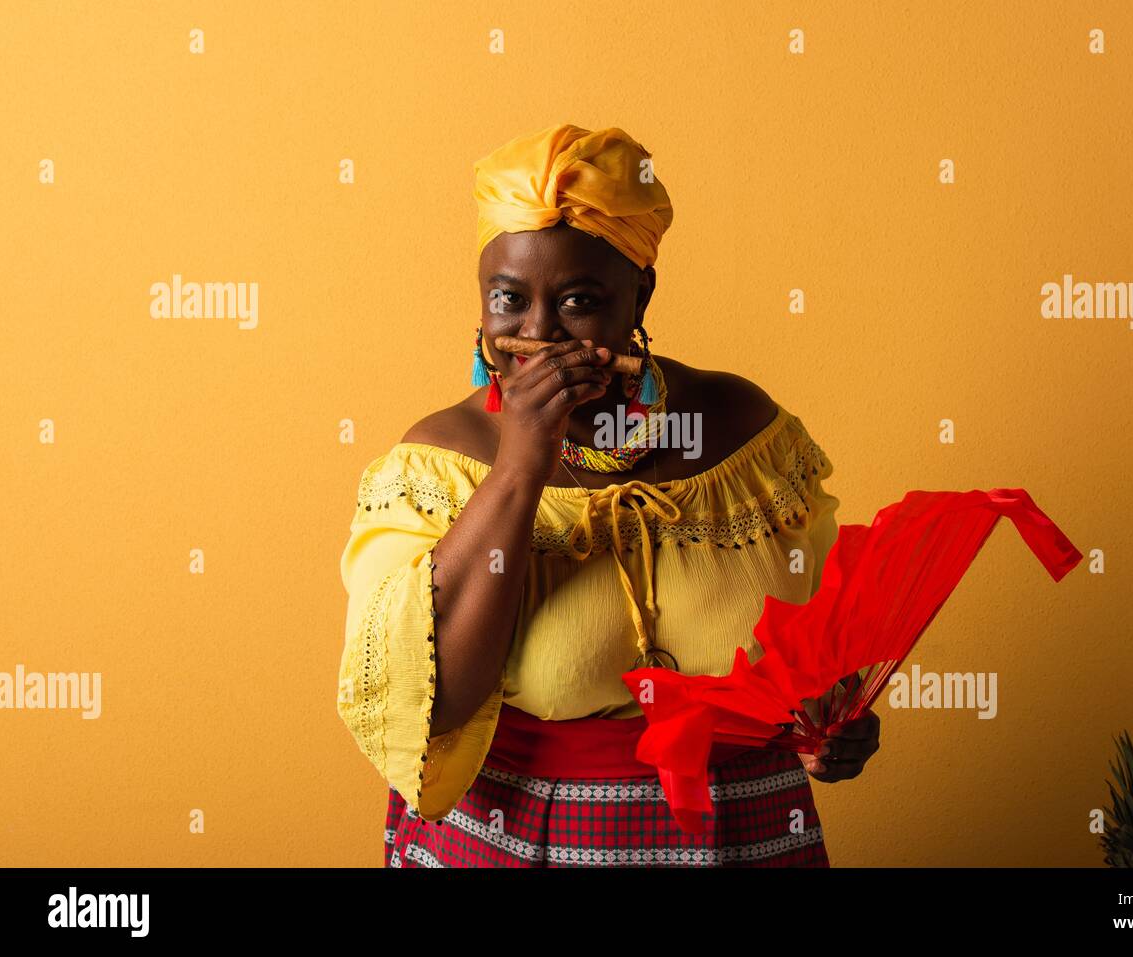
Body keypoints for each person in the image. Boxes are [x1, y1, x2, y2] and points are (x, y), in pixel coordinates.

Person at [337, 123, 880, 868]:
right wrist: (521, 463)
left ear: (640, 293)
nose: (536, 333)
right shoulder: (435, 466)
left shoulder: (747, 438)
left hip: (748, 835)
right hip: (523, 839)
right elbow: (432, 702)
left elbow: (814, 652)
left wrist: (832, 722)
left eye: (578, 300)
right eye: (508, 299)